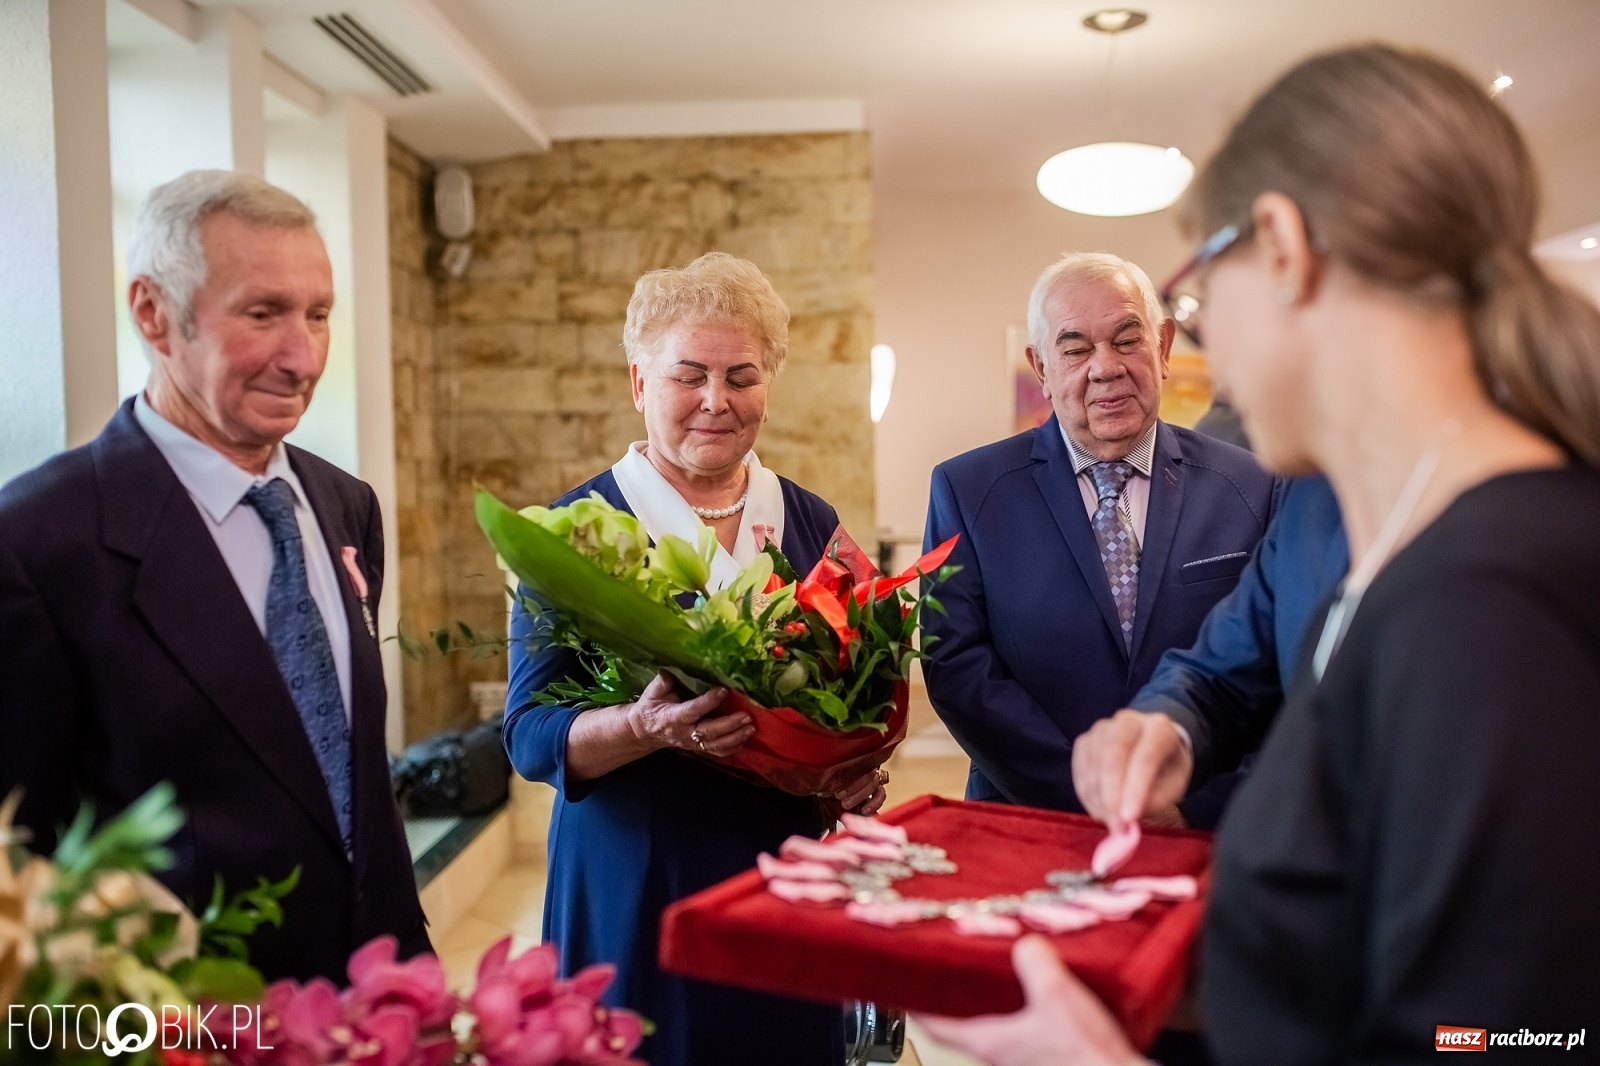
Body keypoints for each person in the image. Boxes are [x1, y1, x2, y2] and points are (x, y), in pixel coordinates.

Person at [918, 44, 1600, 1064]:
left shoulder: (1501, 600)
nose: (1192, 350)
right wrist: (1168, 723)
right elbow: (1226, 668)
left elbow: (1512, 1037)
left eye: (1186, 298)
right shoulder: (1325, 502)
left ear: (1279, 247)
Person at [0, 171, 428, 982]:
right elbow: (21, 871)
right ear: (154, 314)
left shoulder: (347, 507)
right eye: (263, 313)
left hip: (383, 990)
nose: (303, 357)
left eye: (319, 314)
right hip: (188, 1014)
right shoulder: (33, 543)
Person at [503, 252, 879, 1066]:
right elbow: (530, 735)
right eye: (690, 375)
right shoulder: (575, 529)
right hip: (637, 877)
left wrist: (851, 768)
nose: (717, 400)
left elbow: (861, 691)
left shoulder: (810, 521)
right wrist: (643, 728)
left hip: (781, 872)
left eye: (742, 376)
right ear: (640, 383)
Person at [921, 252, 1278, 829]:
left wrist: (1188, 806)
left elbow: (1276, 665)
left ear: (1163, 347)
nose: (1105, 368)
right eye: (1076, 349)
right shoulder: (967, 489)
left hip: (1205, 826)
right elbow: (957, 668)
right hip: (1028, 821)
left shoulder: (1253, 485)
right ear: (1042, 367)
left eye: (1126, 339)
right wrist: (1088, 794)